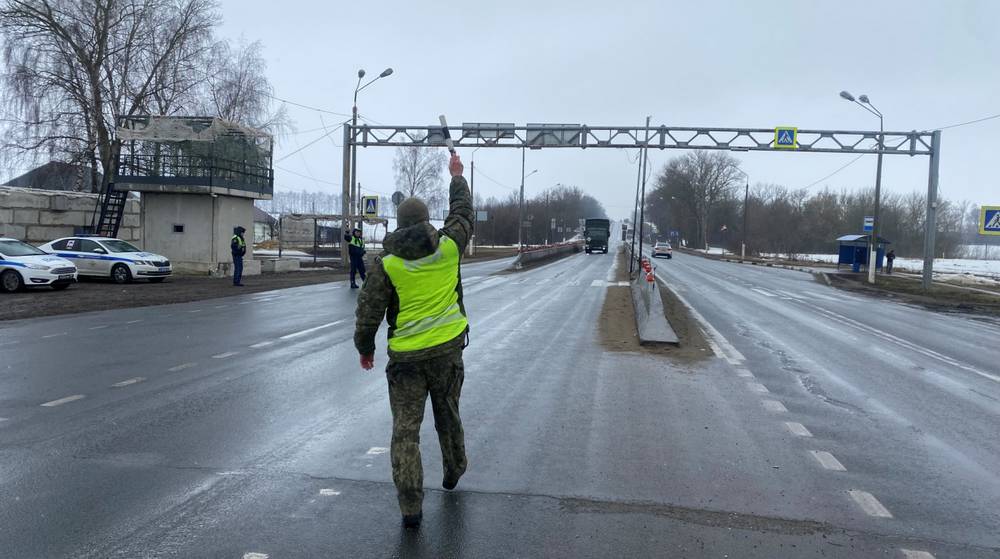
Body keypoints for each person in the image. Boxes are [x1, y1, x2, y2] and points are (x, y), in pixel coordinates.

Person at [353, 153, 473, 529]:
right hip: (448, 352)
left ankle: (410, 507)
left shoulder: (386, 264)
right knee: (448, 415)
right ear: (426, 222)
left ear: (399, 224)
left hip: (405, 361)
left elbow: (369, 311)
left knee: (405, 432)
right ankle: (454, 469)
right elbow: (463, 213)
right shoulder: (450, 246)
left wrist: (365, 349)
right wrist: (456, 177)